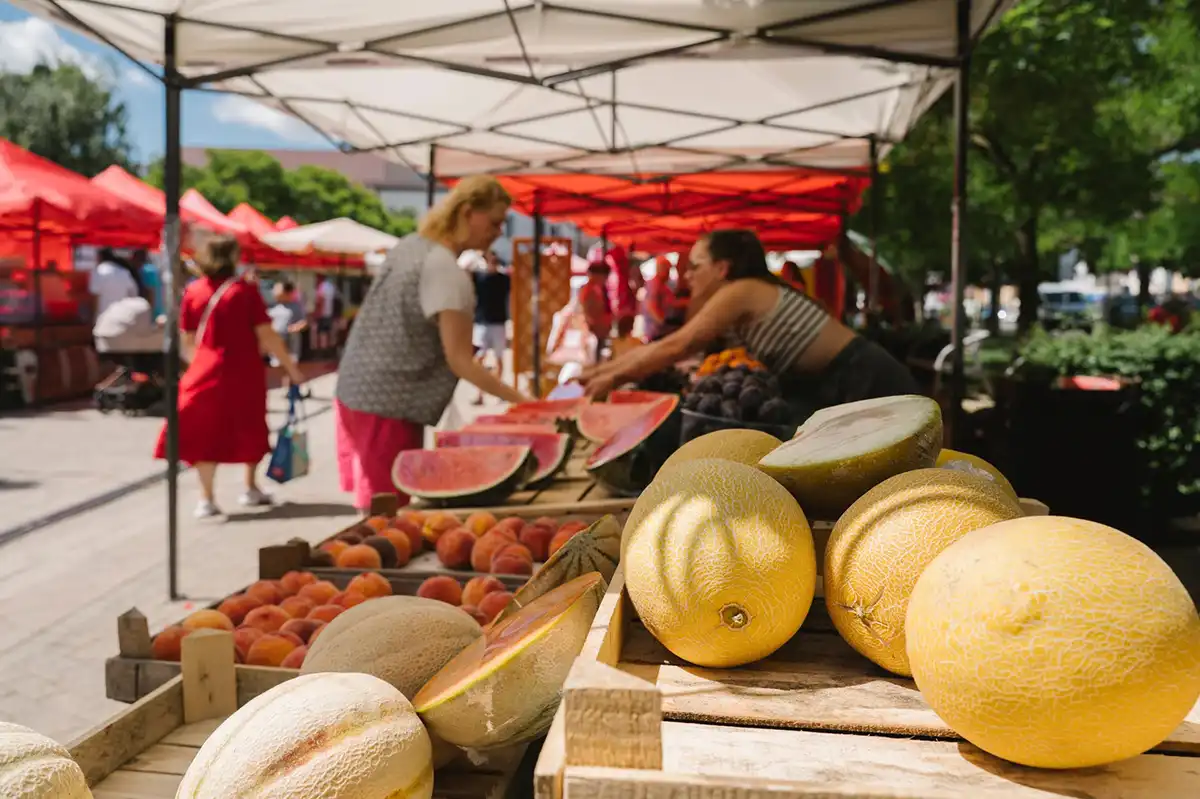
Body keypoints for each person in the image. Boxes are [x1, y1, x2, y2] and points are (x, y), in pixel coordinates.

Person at [334, 175, 535, 511]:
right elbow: (461, 361)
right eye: (496, 221)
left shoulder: (409, 245)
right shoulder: (445, 271)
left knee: (375, 510)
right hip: (390, 407)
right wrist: (524, 402)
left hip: (355, 393)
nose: (500, 231)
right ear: (469, 212)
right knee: (387, 515)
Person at [581, 229, 919, 411]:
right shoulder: (745, 293)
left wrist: (610, 376)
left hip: (867, 379)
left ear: (722, 268)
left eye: (695, 266)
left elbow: (678, 345)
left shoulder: (741, 291)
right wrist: (602, 372)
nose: (687, 275)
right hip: (846, 381)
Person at [153, 236, 306, 519]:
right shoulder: (244, 291)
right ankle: (250, 487)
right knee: (249, 426)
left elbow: (187, 338)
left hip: (203, 369)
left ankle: (206, 498)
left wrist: (199, 363)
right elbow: (267, 334)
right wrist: (292, 369)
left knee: (204, 432)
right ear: (232, 257)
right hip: (243, 369)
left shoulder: (193, 291)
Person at [472, 250, 511, 404]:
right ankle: (480, 392)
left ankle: (496, 390)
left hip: (497, 322)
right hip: (482, 322)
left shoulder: (503, 279)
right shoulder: (479, 277)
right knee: (479, 358)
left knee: (499, 358)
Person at [268, 281, 308, 388]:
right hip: (276, 344)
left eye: (278, 290)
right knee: (279, 367)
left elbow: (303, 322)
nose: (274, 292)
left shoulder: (295, 307)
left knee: (290, 366)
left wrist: (296, 327)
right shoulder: (272, 307)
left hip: (291, 343)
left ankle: (292, 390)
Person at [642, 256, 688, 342]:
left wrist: (686, 302)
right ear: (661, 269)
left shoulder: (662, 285)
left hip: (661, 330)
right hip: (656, 332)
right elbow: (650, 306)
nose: (669, 273)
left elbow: (671, 302)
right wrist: (662, 322)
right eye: (668, 270)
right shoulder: (654, 284)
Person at [88, 248, 141, 321]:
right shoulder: (124, 272)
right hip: (122, 316)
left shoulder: (97, 272)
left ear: (99, 257)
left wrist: (94, 318)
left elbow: (95, 297)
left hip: (103, 318)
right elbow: (133, 293)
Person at [579, 257, 613, 364]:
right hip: (594, 331)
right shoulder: (589, 290)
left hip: (599, 331)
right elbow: (588, 312)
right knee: (593, 361)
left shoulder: (597, 289)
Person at [313, 276, 339, 356]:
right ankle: (329, 349)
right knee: (329, 332)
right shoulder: (332, 286)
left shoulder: (322, 287)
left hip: (323, 313)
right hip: (330, 313)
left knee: (322, 332)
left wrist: (318, 313)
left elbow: (320, 300)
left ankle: (323, 350)